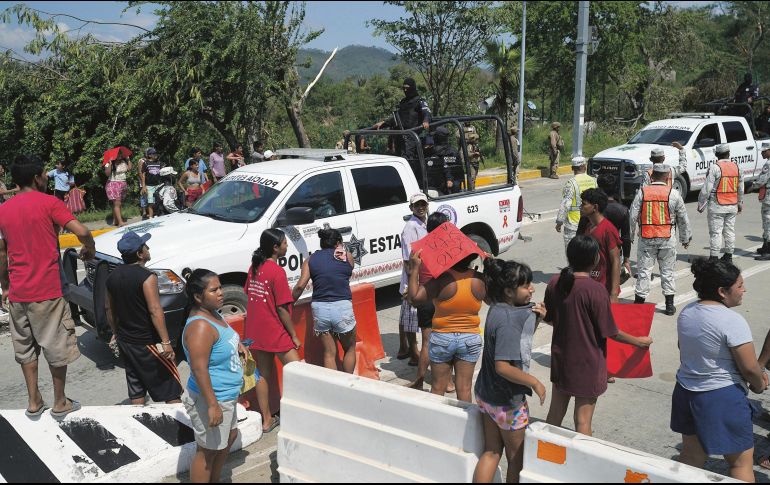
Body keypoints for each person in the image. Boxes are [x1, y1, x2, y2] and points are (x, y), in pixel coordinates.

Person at [0, 155, 95, 420]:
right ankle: (60, 401)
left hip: (18, 293)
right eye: (44, 175)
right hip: (47, 291)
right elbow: (82, 230)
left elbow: (1, 251)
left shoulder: (3, 210)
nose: (46, 178)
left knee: (26, 348)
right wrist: (90, 248)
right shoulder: (49, 203)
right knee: (56, 346)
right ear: (36, 178)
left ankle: (33, 401)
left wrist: (5, 286)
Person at [544, 236, 652, 436]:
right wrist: (639, 342)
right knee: (583, 422)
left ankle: (544, 455)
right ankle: (584, 462)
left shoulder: (554, 282)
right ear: (595, 259)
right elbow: (610, 331)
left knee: (554, 415)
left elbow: (550, 318)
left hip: (561, 358)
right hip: (588, 363)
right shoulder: (595, 290)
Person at [671, 258, 766, 482]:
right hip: (721, 398)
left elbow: (683, 348)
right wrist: (760, 384)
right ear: (722, 291)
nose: (744, 290)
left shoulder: (688, 311)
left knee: (691, 457)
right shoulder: (731, 320)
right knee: (740, 464)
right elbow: (750, 367)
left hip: (686, 393)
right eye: (740, 285)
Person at [472, 259, 547, 484]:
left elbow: (517, 343)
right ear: (508, 291)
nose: (532, 289)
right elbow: (502, 366)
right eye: (525, 286)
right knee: (516, 459)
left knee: (492, 452)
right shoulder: (507, 321)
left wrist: (537, 319)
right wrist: (534, 382)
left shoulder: (498, 309)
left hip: (487, 396)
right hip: (507, 402)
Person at [181, 269, 247, 483]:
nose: (220, 293)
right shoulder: (200, 326)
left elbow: (222, 338)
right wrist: (212, 405)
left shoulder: (214, 313)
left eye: (220, 288)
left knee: (229, 437)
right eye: (214, 290)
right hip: (213, 397)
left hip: (227, 395)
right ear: (198, 297)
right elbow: (199, 369)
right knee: (207, 452)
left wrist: (237, 345)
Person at [105, 231, 182, 405]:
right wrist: (166, 342)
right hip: (147, 342)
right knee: (170, 389)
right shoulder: (147, 277)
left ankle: (139, 425)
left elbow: (109, 308)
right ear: (140, 254)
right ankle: (181, 429)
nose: (148, 248)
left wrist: (116, 333)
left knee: (136, 387)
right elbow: (155, 310)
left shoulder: (112, 277)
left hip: (126, 340)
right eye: (145, 246)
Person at [408, 246, 487, 403]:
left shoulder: (441, 280)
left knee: (438, 387)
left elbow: (414, 298)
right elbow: (493, 300)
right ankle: (465, 425)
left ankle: (436, 424)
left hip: (442, 338)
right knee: (464, 388)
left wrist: (415, 269)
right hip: (470, 338)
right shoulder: (480, 279)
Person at [244, 229, 301, 433]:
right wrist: (293, 335)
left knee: (263, 374)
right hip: (274, 330)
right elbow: (282, 308)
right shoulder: (277, 272)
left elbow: (249, 293)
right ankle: (301, 413)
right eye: (285, 243)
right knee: (299, 371)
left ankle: (267, 421)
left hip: (255, 331)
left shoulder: (254, 268)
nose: (287, 246)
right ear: (275, 248)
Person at [629, 165, 692, 315]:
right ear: (666, 177)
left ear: (652, 176)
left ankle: (639, 304)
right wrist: (685, 238)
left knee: (644, 271)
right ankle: (669, 306)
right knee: (668, 272)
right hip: (667, 239)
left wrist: (631, 235)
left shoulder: (643, 192)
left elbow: (632, 215)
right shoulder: (674, 194)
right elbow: (683, 218)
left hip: (646, 239)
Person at [291, 228, 357, 373]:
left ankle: (333, 390)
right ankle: (348, 386)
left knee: (329, 353)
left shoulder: (310, 259)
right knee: (350, 348)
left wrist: (289, 304)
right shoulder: (346, 256)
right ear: (339, 243)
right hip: (342, 307)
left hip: (320, 309)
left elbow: (300, 286)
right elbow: (347, 271)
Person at [397, 193, 429, 366]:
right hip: (413, 277)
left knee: (409, 316)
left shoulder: (425, 222)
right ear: (411, 208)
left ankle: (406, 348)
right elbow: (407, 259)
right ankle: (414, 352)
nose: (421, 207)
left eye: (423, 204)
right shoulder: (410, 227)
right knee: (410, 317)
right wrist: (411, 283)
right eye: (417, 205)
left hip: (423, 275)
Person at [698, 144, 743, 263]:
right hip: (732, 205)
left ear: (716, 155)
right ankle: (728, 257)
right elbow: (741, 188)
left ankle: (713, 258)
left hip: (717, 205)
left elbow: (707, 188)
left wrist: (701, 203)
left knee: (716, 232)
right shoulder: (737, 167)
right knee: (729, 231)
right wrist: (740, 203)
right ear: (729, 153)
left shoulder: (715, 168)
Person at [374, 77, 432, 167]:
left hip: (412, 135)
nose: (405, 90)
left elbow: (426, 112)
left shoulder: (419, 100)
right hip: (400, 135)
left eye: (407, 88)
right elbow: (396, 118)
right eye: (403, 88)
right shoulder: (403, 102)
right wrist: (384, 123)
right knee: (399, 159)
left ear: (412, 87)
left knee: (408, 159)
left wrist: (426, 121)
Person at [578, 188, 621, 300]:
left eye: (584, 204)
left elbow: (616, 261)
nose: (580, 207)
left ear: (595, 207)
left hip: (603, 289)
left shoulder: (608, 230)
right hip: (590, 285)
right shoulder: (588, 227)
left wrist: (614, 294)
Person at [593, 174, 632, 280]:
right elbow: (626, 237)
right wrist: (626, 260)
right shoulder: (622, 210)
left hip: (593, 250)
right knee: (612, 283)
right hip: (614, 252)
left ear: (599, 188)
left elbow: (581, 232)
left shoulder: (592, 208)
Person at [555, 156, 597, 252]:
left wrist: (559, 221)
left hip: (573, 224)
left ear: (572, 168)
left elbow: (565, 204)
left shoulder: (571, 183)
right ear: (584, 166)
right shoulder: (593, 181)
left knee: (573, 254)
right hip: (591, 223)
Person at [751, 142, 770, 260]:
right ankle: (765, 245)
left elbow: (762, 180)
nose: (762, 153)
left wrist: (752, 186)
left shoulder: (768, 164)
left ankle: (768, 250)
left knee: (768, 222)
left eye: (764, 151)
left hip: (768, 197)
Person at [431, 127, 464, 194]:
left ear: (437, 138)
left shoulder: (436, 151)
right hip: (452, 184)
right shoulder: (453, 151)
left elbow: (449, 166)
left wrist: (449, 179)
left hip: (446, 186)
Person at [105, 152, 131, 227]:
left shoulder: (123, 162)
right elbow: (107, 173)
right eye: (118, 154)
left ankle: (116, 220)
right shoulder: (109, 163)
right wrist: (110, 163)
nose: (120, 155)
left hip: (123, 184)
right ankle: (120, 222)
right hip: (113, 184)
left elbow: (129, 168)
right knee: (117, 203)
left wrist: (128, 159)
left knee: (118, 204)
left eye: (121, 154)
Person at [139, 148, 163, 219]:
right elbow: (143, 174)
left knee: (158, 200)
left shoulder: (159, 163)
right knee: (150, 202)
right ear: (149, 155)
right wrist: (143, 186)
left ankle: (157, 214)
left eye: (156, 153)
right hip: (149, 185)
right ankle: (151, 217)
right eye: (154, 154)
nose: (156, 155)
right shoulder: (146, 163)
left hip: (158, 185)